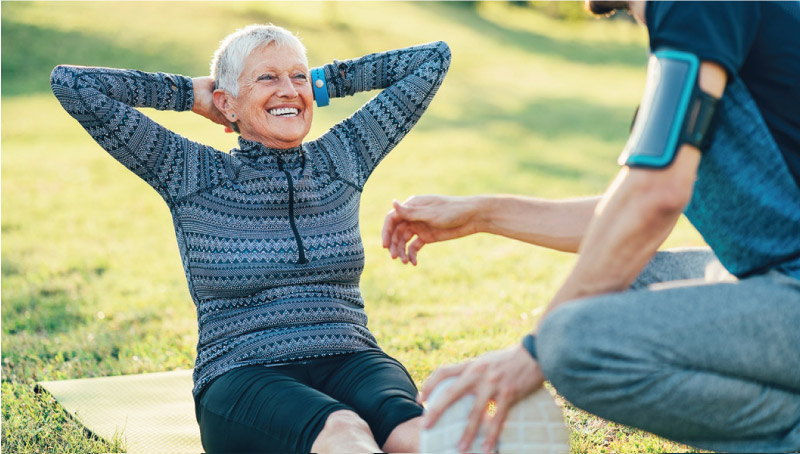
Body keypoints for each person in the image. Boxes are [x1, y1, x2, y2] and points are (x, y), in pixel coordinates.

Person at [382, 1, 800, 453]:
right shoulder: (697, 34)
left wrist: (533, 352)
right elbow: (627, 213)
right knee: (616, 284)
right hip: (777, 284)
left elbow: (651, 201)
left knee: (570, 341)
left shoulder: (693, 8)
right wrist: (482, 213)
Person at [51, 24, 450, 453]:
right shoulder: (191, 172)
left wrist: (320, 82)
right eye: (266, 78)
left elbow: (433, 59)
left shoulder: (342, 159)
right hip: (243, 371)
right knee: (344, 431)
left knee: (419, 437)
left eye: (298, 75)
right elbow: (72, 83)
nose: (288, 90)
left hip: (351, 356)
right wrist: (189, 94)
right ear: (227, 103)